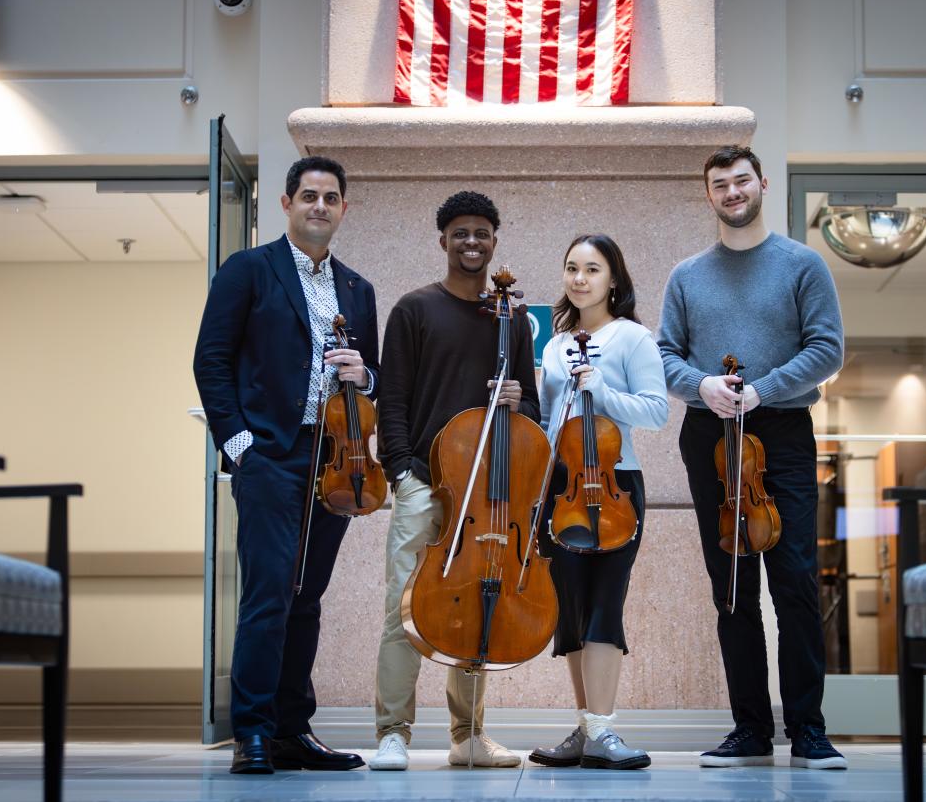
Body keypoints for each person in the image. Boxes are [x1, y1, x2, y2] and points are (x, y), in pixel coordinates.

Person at [657, 145, 848, 770]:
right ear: (707, 194)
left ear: (762, 184)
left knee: (793, 581)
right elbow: (665, 356)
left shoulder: (803, 265)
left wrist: (764, 387)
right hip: (710, 433)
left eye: (742, 181)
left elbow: (827, 349)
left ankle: (809, 728)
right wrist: (702, 386)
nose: (732, 192)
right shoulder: (686, 275)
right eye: (720, 185)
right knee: (732, 586)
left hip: (784, 428)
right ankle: (750, 730)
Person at [193, 156, 378, 774]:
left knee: (309, 596)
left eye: (330, 197)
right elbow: (211, 362)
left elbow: (373, 378)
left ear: (344, 209)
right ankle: (252, 731)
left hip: (337, 461)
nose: (319, 206)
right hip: (270, 454)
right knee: (269, 594)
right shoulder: (248, 270)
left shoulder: (357, 288)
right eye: (308, 196)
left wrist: (366, 375)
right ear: (286, 204)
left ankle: (293, 730)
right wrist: (239, 446)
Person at [370, 191, 540, 771]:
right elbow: (392, 397)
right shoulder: (414, 310)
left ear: (496, 240)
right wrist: (400, 470)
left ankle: (468, 735)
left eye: (482, 234)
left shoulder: (511, 317)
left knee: (476, 606)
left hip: (486, 494)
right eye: (461, 233)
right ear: (443, 240)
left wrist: (518, 400)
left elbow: (532, 414)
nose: (472, 243)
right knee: (405, 607)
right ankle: (393, 731)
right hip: (423, 478)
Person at [527, 235, 668, 770]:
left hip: (616, 483)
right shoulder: (556, 344)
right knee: (572, 610)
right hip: (561, 485)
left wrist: (602, 390)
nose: (580, 278)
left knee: (607, 603)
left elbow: (655, 412)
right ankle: (588, 731)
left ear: (614, 279)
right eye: (571, 268)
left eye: (592, 269)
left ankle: (604, 731)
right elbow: (549, 421)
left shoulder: (634, 338)